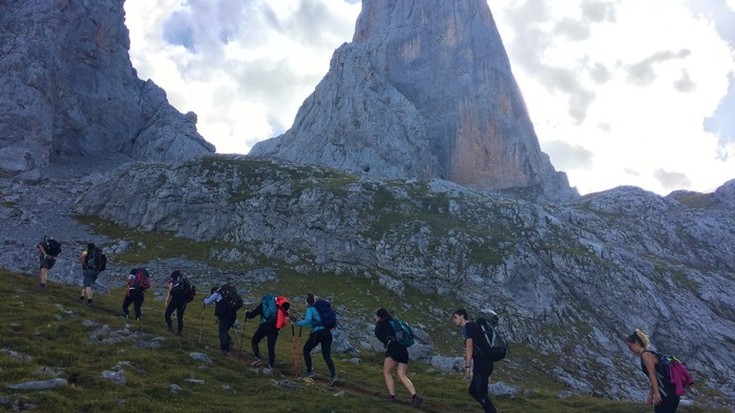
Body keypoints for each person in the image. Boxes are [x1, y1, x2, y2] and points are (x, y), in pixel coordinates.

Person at [373, 308, 423, 407]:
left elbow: (384, 339)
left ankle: (392, 396)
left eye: (375, 316)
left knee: (387, 372)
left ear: (379, 317)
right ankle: (415, 396)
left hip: (393, 350)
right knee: (402, 375)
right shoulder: (393, 322)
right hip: (403, 349)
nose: (374, 318)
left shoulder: (379, 326)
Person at [625, 328, 680, 413]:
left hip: (666, 393)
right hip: (669, 392)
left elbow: (652, 374)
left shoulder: (646, 355)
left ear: (636, 343)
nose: (630, 349)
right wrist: (651, 393)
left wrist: (656, 393)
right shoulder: (649, 354)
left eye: (630, 346)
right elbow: (656, 376)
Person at [452, 309, 497, 413]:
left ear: (462, 316)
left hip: (482, 364)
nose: (454, 320)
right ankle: (490, 410)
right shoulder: (475, 327)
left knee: (479, 391)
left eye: (455, 317)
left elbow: (469, 346)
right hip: (486, 363)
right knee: (474, 390)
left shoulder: (468, 327)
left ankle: (491, 411)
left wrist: (467, 368)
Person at [293, 293, 338, 385]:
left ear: (307, 301)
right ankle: (334, 376)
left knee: (306, 350)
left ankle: (309, 371)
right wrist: (302, 323)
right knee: (326, 356)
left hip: (318, 333)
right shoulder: (320, 309)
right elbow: (313, 323)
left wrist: (297, 323)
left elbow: (308, 321)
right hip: (327, 333)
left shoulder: (310, 309)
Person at [245, 295, 290, 368]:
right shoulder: (278, 306)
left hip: (264, 326)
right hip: (275, 328)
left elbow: (251, 316)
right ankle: (270, 366)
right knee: (271, 347)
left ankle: (257, 358)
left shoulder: (263, 305)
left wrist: (247, 312)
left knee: (254, 340)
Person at [204, 286, 237, 353]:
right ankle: (228, 343)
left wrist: (204, 299)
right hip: (233, 315)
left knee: (222, 331)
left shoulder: (216, 294)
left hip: (224, 316)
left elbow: (207, 302)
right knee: (225, 330)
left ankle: (224, 348)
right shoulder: (229, 295)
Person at [164, 270, 188, 335]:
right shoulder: (185, 282)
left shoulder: (173, 282)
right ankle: (179, 331)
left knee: (167, 314)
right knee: (180, 316)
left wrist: (166, 301)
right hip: (183, 302)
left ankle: (170, 328)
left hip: (175, 300)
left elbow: (170, 292)